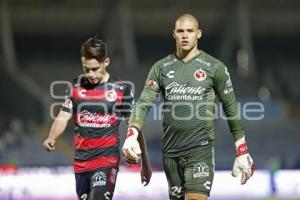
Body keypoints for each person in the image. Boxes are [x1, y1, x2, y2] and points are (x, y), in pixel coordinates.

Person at [122, 14, 255, 200]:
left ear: (198, 34)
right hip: (170, 151)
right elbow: (144, 102)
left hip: (200, 149)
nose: (185, 35)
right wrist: (131, 134)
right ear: (174, 34)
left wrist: (241, 148)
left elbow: (230, 107)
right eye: (180, 31)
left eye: (190, 31)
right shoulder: (160, 68)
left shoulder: (214, 67)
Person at [43, 37, 152, 200]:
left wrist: (145, 163)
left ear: (106, 62)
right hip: (81, 162)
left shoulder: (121, 89)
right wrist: (51, 137)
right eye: (86, 69)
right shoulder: (75, 86)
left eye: (94, 69)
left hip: (107, 158)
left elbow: (135, 126)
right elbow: (63, 116)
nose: (90, 74)